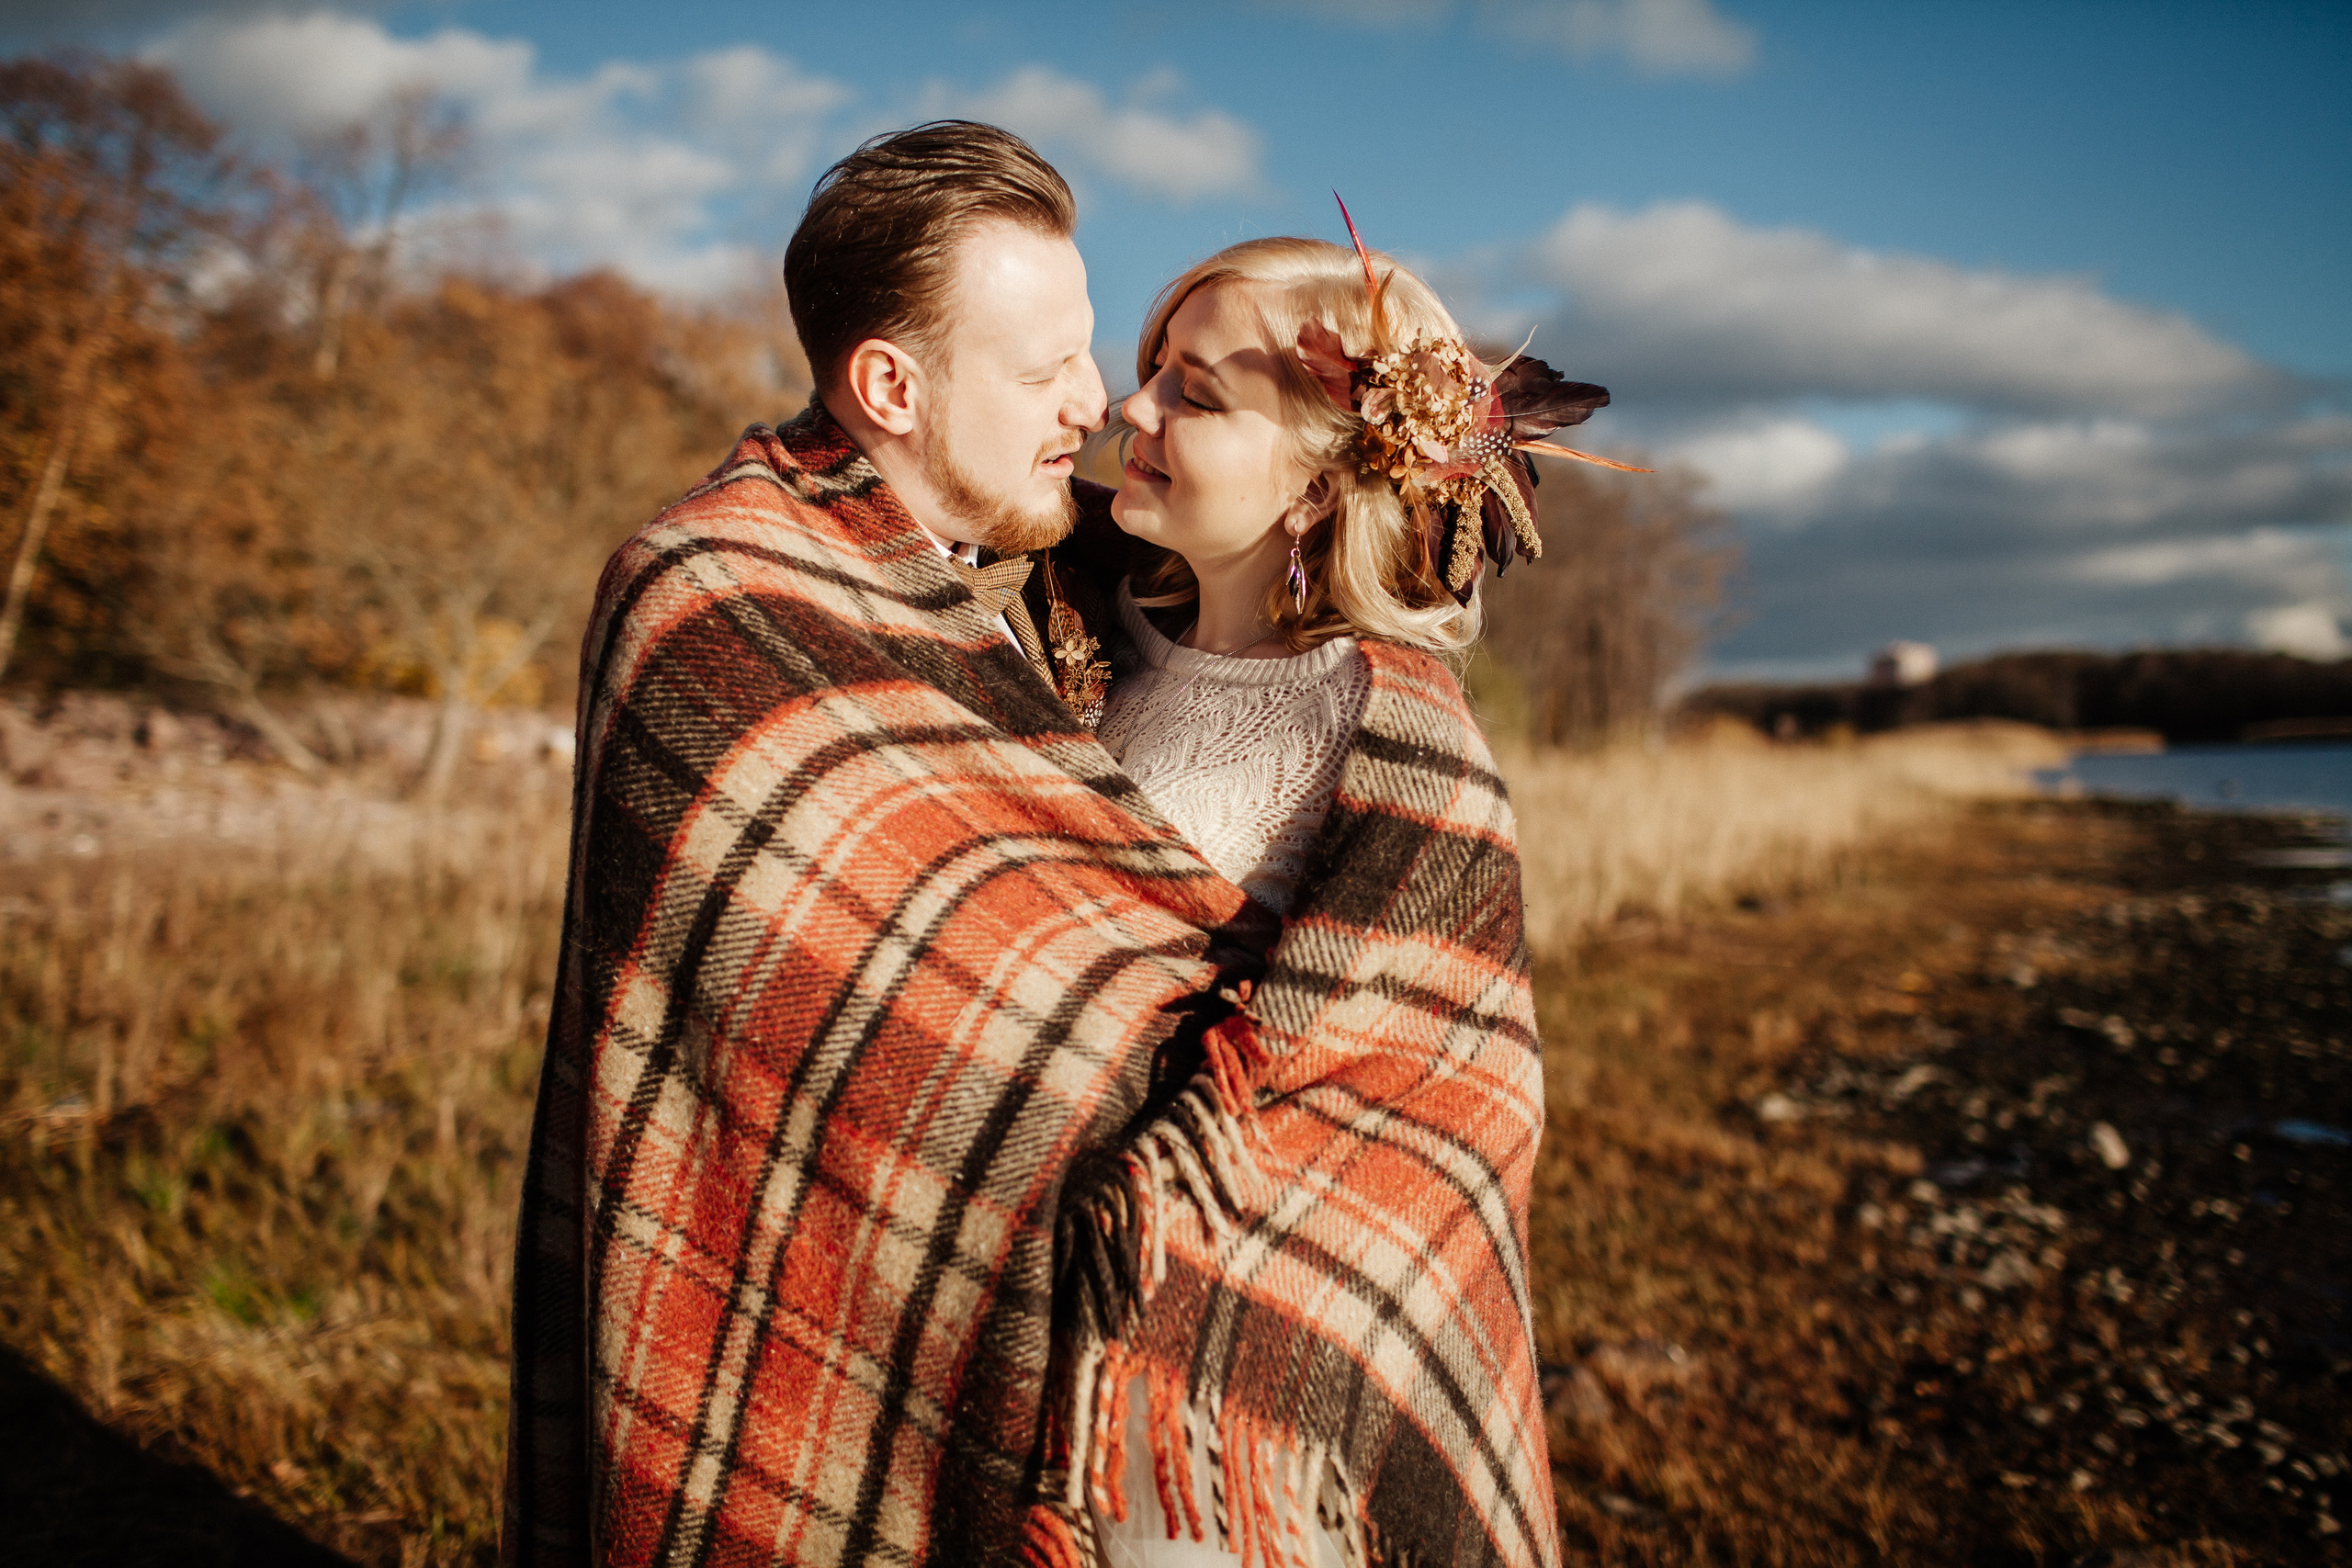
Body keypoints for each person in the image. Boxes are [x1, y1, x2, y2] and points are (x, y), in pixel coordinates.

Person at [502, 122, 1244, 1567]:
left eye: (1086, 356)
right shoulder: (711, 599)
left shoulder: (1103, 576)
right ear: (890, 387)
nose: (1093, 406)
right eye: (1043, 373)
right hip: (803, 1282)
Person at [1044, 231, 1623, 1568]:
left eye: (1196, 393)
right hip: (1037, 1303)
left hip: (1210, 1398)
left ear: (1318, 481)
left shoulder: (1388, 738)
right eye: (1148, 372)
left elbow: (1424, 1114)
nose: (1131, 410)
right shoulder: (1074, 635)